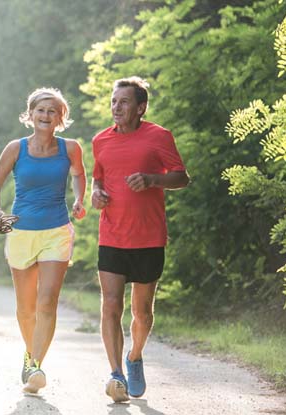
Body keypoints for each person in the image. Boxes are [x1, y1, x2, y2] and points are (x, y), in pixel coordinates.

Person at [91, 76, 190, 403]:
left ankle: (135, 356)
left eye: (124, 102)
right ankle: (116, 372)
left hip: (148, 237)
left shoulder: (159, 136)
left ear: (141, 107)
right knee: (110, 305)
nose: (116, 107)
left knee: (142, 313)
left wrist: (151, 179)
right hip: (112, 234)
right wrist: (96, 194)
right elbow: (98, 179)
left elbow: (181, 177)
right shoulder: (101, 140)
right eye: (114, 101)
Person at [0, 87, 87, 394]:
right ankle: (31, 356)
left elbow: (79, 174)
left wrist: (80, 199)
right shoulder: (16, 149)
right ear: (30, 115)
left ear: (61, 117)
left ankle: (35, 364)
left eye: (52, 111)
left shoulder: (70, 148)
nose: (46, 116)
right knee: (26, 307)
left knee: (47, 301)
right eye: (40, 110)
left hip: (56, 231)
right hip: (20, 232)